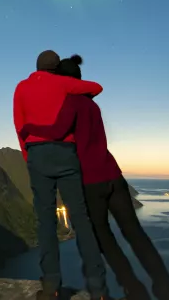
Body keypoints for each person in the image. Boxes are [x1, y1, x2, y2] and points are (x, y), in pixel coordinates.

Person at [19, 55, 169, 300]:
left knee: (103, 237)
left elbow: (57, 131)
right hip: (113, 176)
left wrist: (31, 128)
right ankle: (166, 287)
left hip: (90, 181)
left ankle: (133, 290)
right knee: (135, 233)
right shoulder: (92, 105)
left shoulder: (70, 104)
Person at [13, 50, 111, 300]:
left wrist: (29, 157)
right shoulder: (64, 84)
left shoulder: (21, 87)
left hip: (37, 155)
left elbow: (19, 125)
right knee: (81, 219)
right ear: (56, 68)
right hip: (66, 154)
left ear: (36, 67)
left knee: (45, 221)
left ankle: (51, 288)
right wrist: (73, 86)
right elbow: (97, 87)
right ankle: (99, 290)